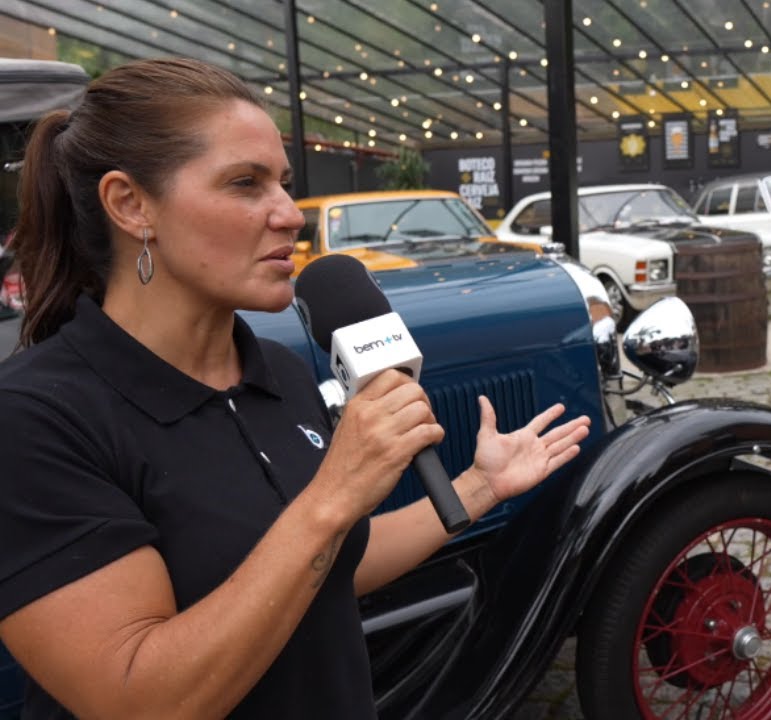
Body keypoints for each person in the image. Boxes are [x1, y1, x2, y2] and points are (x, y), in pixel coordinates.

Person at [0, 57, 591, 719]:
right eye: (246, 183)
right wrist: (334, 496)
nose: (290, 215)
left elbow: (330, 568)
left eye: (282, 182)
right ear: (131, 205)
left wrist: (480, 487)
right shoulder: (33, 418)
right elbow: (141, 698)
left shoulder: (277, 369)